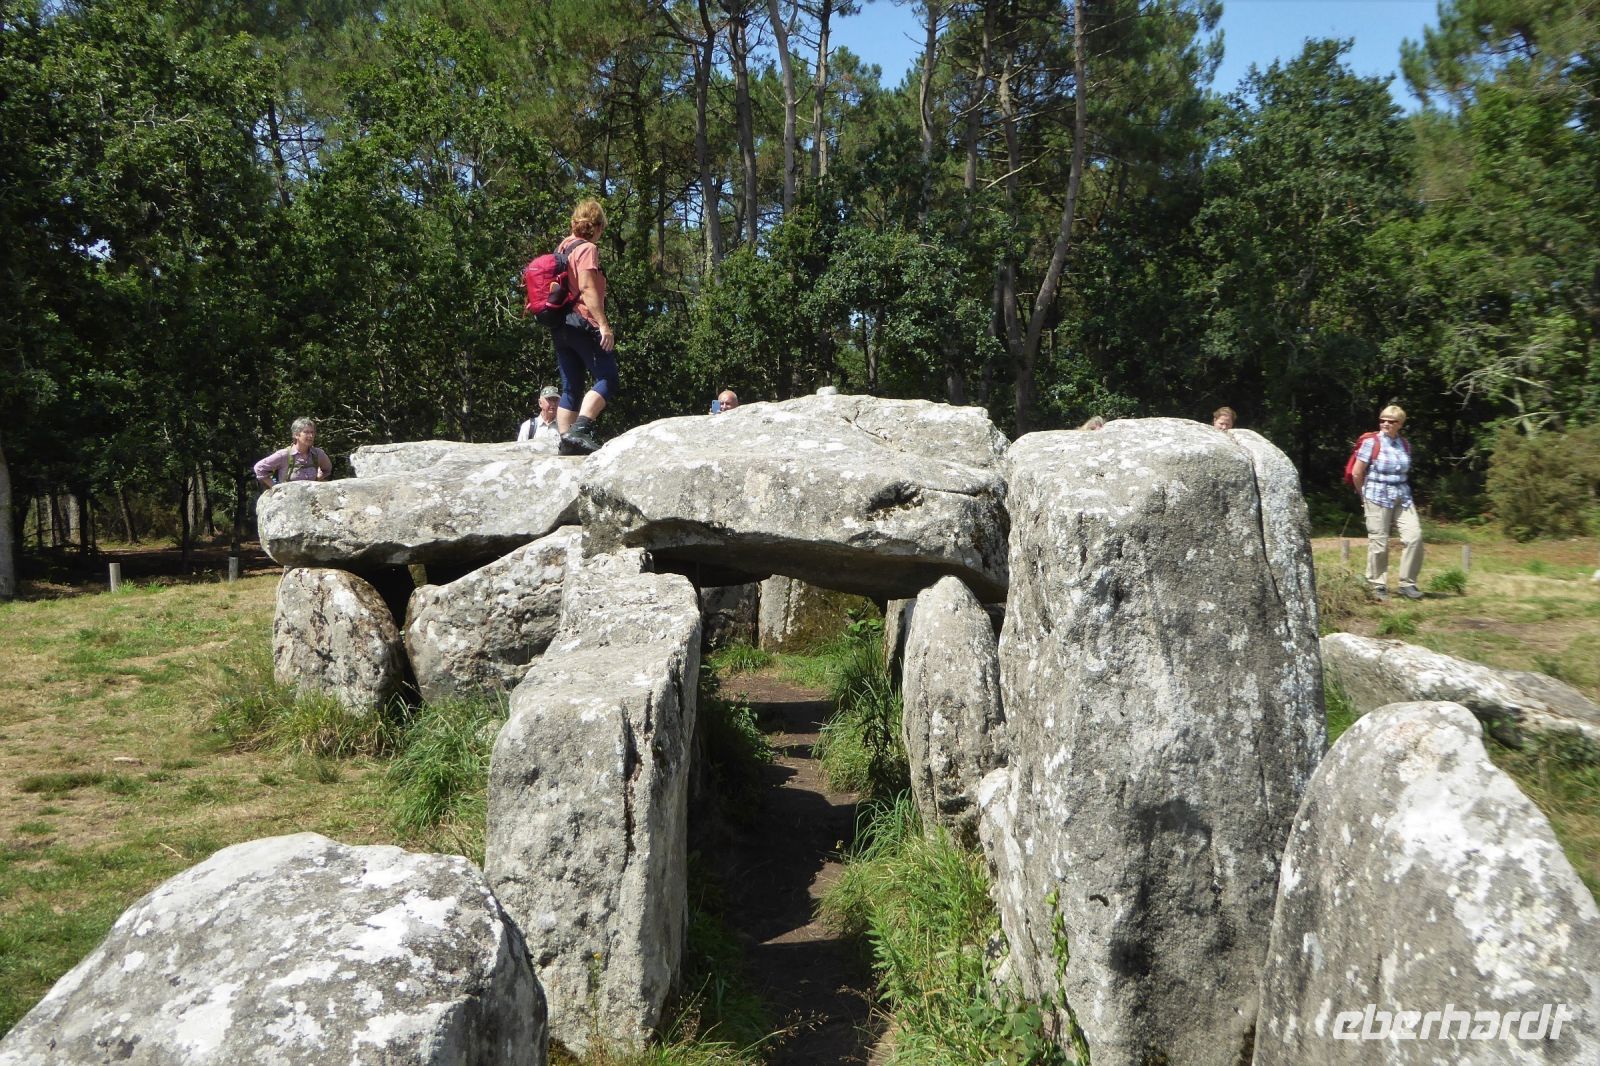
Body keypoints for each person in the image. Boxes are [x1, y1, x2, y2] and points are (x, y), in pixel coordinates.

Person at [549, 199, 617, 455]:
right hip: (582, 321)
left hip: (560, 325)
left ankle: (565, 443)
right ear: (597, 226)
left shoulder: (563, 246)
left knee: (571, 387)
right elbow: (587, 288)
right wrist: (603, 325)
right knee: (608, 378)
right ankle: (579, 430)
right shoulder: (587, 248)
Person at [1350, 404, 1423, 602]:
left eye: (1391, 421)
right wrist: (1363, 495)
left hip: (1402, 497)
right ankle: (1376, 585)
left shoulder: (1404, 444)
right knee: (1379, 542)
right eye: (1382, 420)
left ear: (1400, 424)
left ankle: (1407, 584)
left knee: (1414, 536)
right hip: (1377, 496)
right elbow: (1357, 472)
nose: (1385, 424)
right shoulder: (1371, 443)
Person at [254, 418, 331, 489]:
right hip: (287, 498)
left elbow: (327, 470)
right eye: (306, 432)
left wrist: (318, 477)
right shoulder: (284, 455)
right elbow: (259, 468)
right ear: (296, 435)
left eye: (312, 432)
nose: (311, 436)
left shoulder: (318, 454)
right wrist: (275, 487)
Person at [517, 386, 563, 452]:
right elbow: (520, 451)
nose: (553, 403)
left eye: (556, 400)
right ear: (540, 403)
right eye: (549, 399)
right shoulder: (528, 426)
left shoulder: (564, 427)